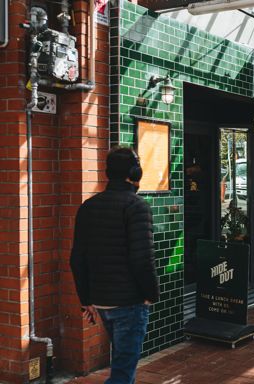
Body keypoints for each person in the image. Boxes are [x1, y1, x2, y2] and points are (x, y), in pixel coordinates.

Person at [70, 147, 159, 384]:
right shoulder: (137, 206)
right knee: (122, 371)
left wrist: (85, 299)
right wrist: (151, 295)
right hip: (129, 302)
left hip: (101, 300)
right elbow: (142, 259)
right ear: (135, 173)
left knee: (121, 364)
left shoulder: (88, 206)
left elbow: (77, 258)